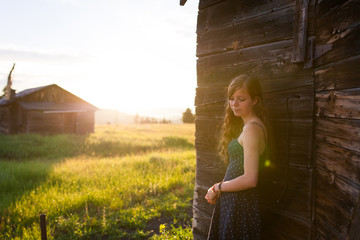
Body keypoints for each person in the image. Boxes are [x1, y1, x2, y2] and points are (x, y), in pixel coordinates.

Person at [205, 74, 267, 240]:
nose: (234, 104)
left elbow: (250, 179)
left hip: (240, 203)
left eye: (241, 99)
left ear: (255, 100)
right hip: (234, 200)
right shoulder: (249, 126)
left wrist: (217, 187)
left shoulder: (252, 129)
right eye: (231, 98)